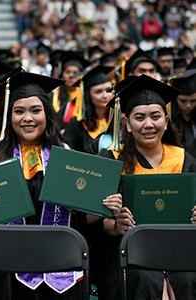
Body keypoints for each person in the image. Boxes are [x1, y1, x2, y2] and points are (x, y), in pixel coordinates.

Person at [0, 71, 121, 299]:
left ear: (47, 114)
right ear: (7, 116)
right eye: (18, 111)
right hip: (2, 266)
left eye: (35, 110)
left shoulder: (68, 159)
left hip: (57, 261)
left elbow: (83, 220)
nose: (27, 118)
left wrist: (100, 208)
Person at [95, 75, 196, 300]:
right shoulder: (111, 160)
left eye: (155, 116)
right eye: (139, 118)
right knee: (143, 278)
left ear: (167, 121)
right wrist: (114, 226)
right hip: (129, 253)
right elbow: (92, 222)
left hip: (179, 250)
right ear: (127, 124)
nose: (148, 124)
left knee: (188, 279)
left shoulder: (185, 160)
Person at [64, 66, 114, 153]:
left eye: (108, 90)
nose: (105, 95)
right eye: (98, 92)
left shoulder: (119, 121)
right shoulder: (76, 125)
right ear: (88, 95)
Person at [53, 52, 90, 129]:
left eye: (75, 73)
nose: (71, 76)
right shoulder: (53, 96)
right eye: (68, 72)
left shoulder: (85, 96)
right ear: (62, 74)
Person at [166, 69, 196, 149]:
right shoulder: (169, 118)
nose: (188, 106)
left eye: (193, 101)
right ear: (175, 99)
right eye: (183, 101)